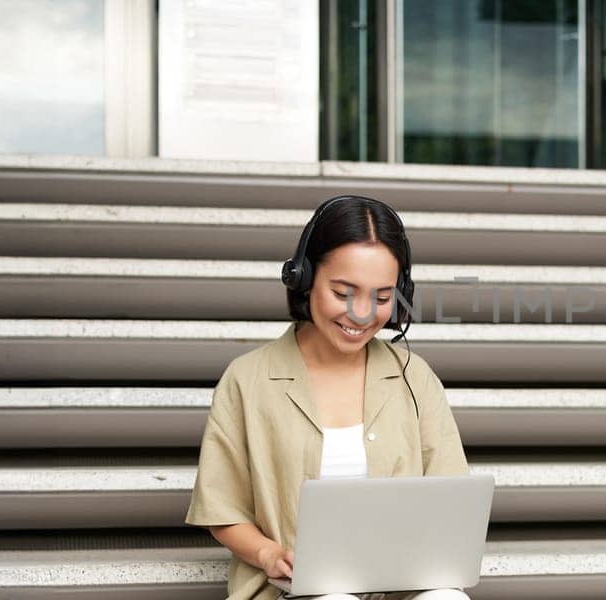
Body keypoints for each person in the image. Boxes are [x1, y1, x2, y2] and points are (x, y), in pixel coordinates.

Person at [186, 195, 471, 600]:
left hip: (401, 587)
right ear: (304, 279)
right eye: (343, 292)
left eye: (382, 297)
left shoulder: (415, 378)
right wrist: (269, 554)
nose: (361, 313)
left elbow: (451, 497)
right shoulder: (247, 380)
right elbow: (222, 509)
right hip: (291, 591)